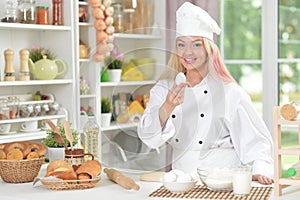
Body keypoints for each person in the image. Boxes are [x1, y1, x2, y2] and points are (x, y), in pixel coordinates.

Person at [137, 2, 274, 185]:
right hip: (182, 181)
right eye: (181, 45)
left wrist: (261, 170)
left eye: (196, 45)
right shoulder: (164, 89)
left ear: (209, 49)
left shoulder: (229, 92)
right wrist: (167, 107)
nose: (188, 52)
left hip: (224, 180)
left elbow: (256, 140)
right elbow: (148, 138)